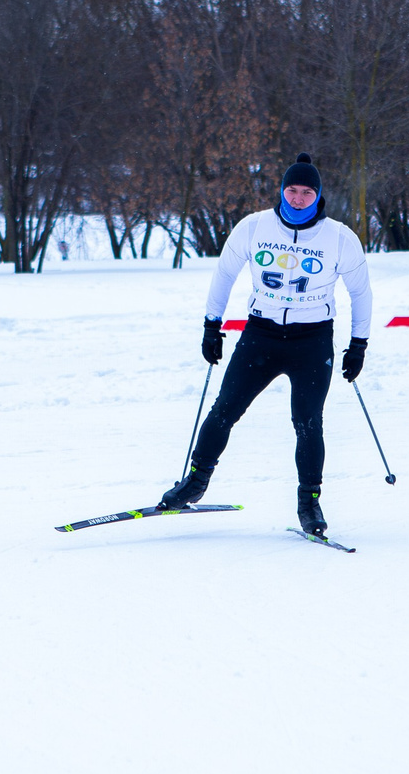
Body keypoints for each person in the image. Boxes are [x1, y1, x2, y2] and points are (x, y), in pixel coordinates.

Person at [157, 154, 375, 537]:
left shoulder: (339, 237)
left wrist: (359, 344)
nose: (298, 199)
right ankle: (195, 481)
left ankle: (309, 502)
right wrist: (211, 325)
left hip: (312, 341)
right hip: (261, 335)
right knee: (224, 409)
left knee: (308, 422)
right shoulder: (254, 226)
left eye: (307, 192)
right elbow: (224, 273)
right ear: (281, 190)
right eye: (292, 190)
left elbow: (361, 292)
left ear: (318, 195)